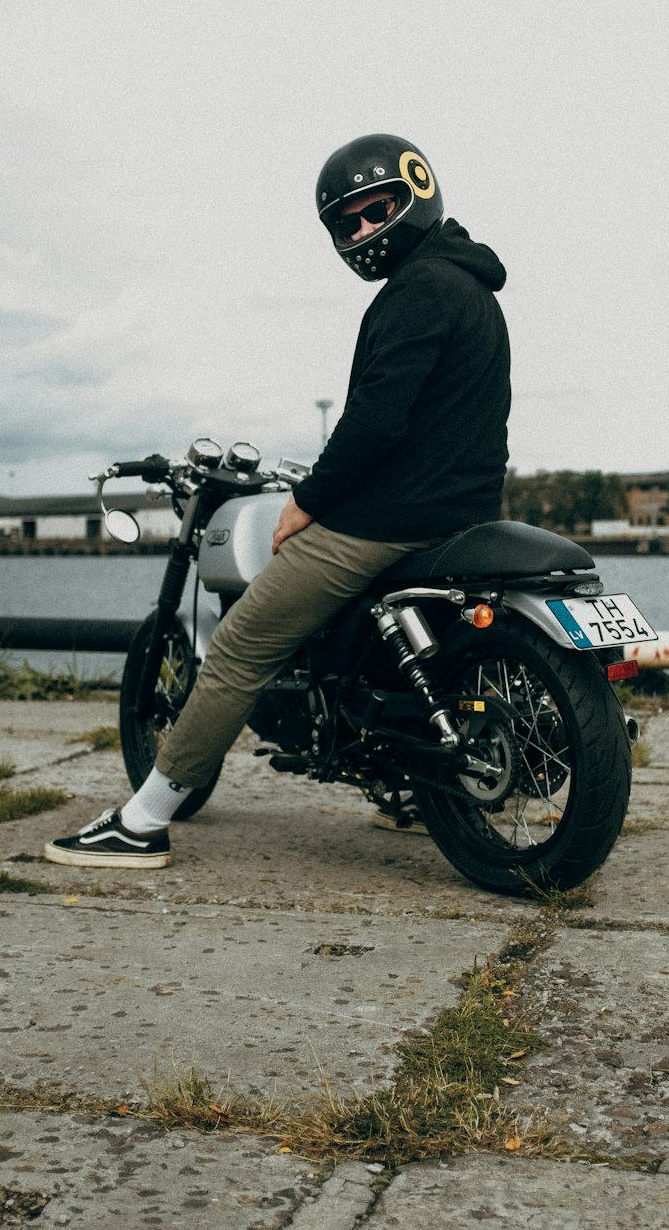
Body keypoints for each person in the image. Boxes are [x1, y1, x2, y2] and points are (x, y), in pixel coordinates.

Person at [45, 133, 511, 868]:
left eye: (374, 210)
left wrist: (311, 500)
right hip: (463, 517)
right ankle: (409, 783)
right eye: (345, 223)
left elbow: (376, 421)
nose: (361, 231)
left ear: (416, 193)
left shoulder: (416, 291)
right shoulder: (472, 288)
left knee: (238, 647)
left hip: (387, 522)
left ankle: (141, 821)